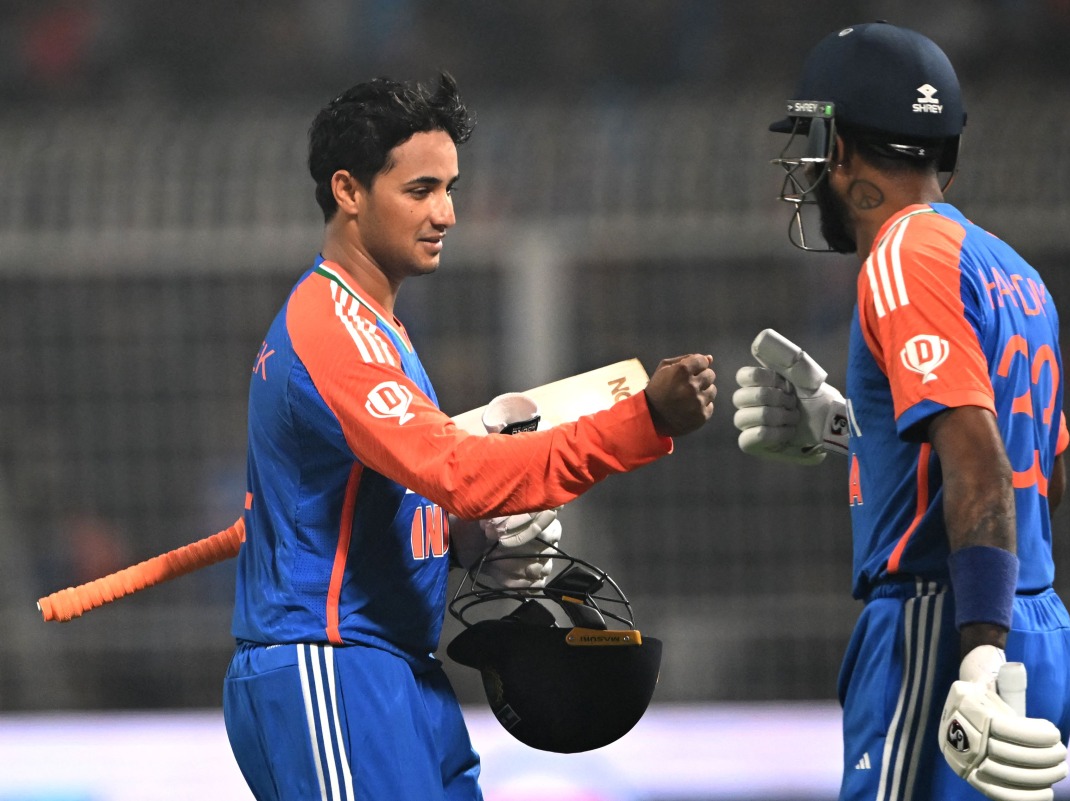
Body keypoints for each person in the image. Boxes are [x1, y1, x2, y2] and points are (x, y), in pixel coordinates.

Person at [222, 73, 717, 800]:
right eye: (421, 189)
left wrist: (461, 540)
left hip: (392, 668)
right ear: (349, 191)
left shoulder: (377, 327)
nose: (447, 212)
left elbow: (394, 499)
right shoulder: (334, 331)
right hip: (329, 670)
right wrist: (643, 420)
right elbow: (459, 472)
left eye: (450, 187)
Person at [732, 22, 1070, 801]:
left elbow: (979, 459)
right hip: (1036, 620)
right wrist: (853, 432)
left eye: (815, 143)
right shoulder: (1012, 269)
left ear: (843, 149)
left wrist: (978, 650)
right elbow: (1038, 480)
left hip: (943, 622)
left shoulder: (898, 255)